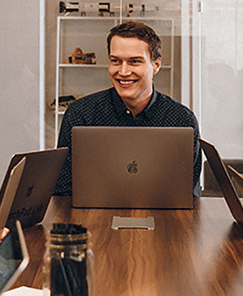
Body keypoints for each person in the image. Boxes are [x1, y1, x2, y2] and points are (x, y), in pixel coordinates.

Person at [54, 20, 201, 195]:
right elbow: (62, 192)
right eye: (116, 61)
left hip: (162, 220)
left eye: (134, 62)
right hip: (92, 219)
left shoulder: (181, 120)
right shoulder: (80, 114)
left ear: (156, 65)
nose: (123, 72)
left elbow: (189, 195)